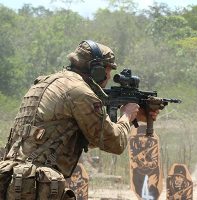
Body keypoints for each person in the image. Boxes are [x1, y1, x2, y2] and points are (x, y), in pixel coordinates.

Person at [0, 40, 159, 199]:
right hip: (34, 185)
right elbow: (114, 143)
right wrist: (128, 116)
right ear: (97, 70)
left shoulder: (44, 83)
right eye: (108, 70)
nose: (109, 77)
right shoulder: (80, 92)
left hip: (13, 181)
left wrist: (130, 116)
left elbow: (73, 136)